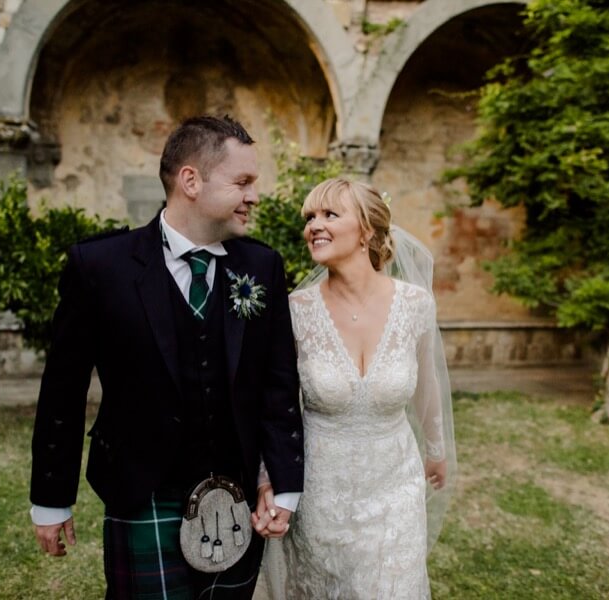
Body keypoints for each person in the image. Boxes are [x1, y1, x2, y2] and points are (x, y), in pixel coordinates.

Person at [29, 115, 304, 599]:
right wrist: (52, 499)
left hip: (235, 494)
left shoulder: (261, 265)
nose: (254, 196)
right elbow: (63, 390)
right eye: (242, 182)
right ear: (191, 181)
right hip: (141, 490)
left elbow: (278, 385)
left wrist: (282, 483)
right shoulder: (100, 266)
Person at [260, 177, 457, 599]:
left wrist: (436, 449)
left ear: (367, 229)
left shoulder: (415, 304)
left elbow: (427, 386)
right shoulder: (297, 311)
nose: (314, 225)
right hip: (320, 495)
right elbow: (275, 405)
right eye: (310, 217)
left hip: (395, 488)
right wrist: (267, 477)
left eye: (330, 214)